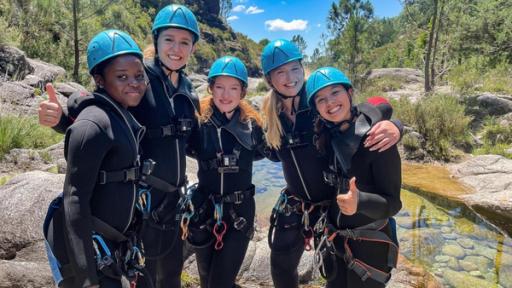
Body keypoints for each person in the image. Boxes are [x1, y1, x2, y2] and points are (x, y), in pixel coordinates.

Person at [38, 5, 201, 287]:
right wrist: (61, 120)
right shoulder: (139, 76)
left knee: (171, 274)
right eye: (169, 40)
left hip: (174, 202)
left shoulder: (188, 91)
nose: (176, 48)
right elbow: (97, 119)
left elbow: (193, 143)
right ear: (156, 41)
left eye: (185, 42)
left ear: (193, 48)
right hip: (142, 201)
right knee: (144, 274)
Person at [260, 39, 402, 288]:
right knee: (281, 267)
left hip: (330, 206)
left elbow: (375, 105)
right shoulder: (271, 115)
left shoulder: (317, 100)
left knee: (336, 275)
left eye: (294, 69)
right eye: (280, 72)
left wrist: (396, 127)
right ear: (270, 80)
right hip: (295, 203)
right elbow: (265, 150)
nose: (289, 78)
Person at [43, 29, 148, 288]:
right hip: (92, 252)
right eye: (121, 77)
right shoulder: (93, 124)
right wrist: (87, 278)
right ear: (99, 80)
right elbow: (74, 199)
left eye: (139, 75)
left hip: (115, 246)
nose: (133, 82)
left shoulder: (119, 114)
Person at [307, 67, 401, 288]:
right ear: (316, 109)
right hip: (335, 240)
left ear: (349, 93)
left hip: (370, 247)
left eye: (335, 92)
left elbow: (394, 203)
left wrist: (361, 202)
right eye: (321, 99)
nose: (329, 103)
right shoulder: (326, 135)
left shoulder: (377, 137)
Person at [185, 56, 266, 288]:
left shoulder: (253, 126)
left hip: (239, 212)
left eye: (233, 88)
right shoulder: (199, 122)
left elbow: (274, 152)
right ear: (210, 88)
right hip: (204, 209)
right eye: (219, 87)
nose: (225, 94)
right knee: (205, 278)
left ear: (242, 92)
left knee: (220, 281)